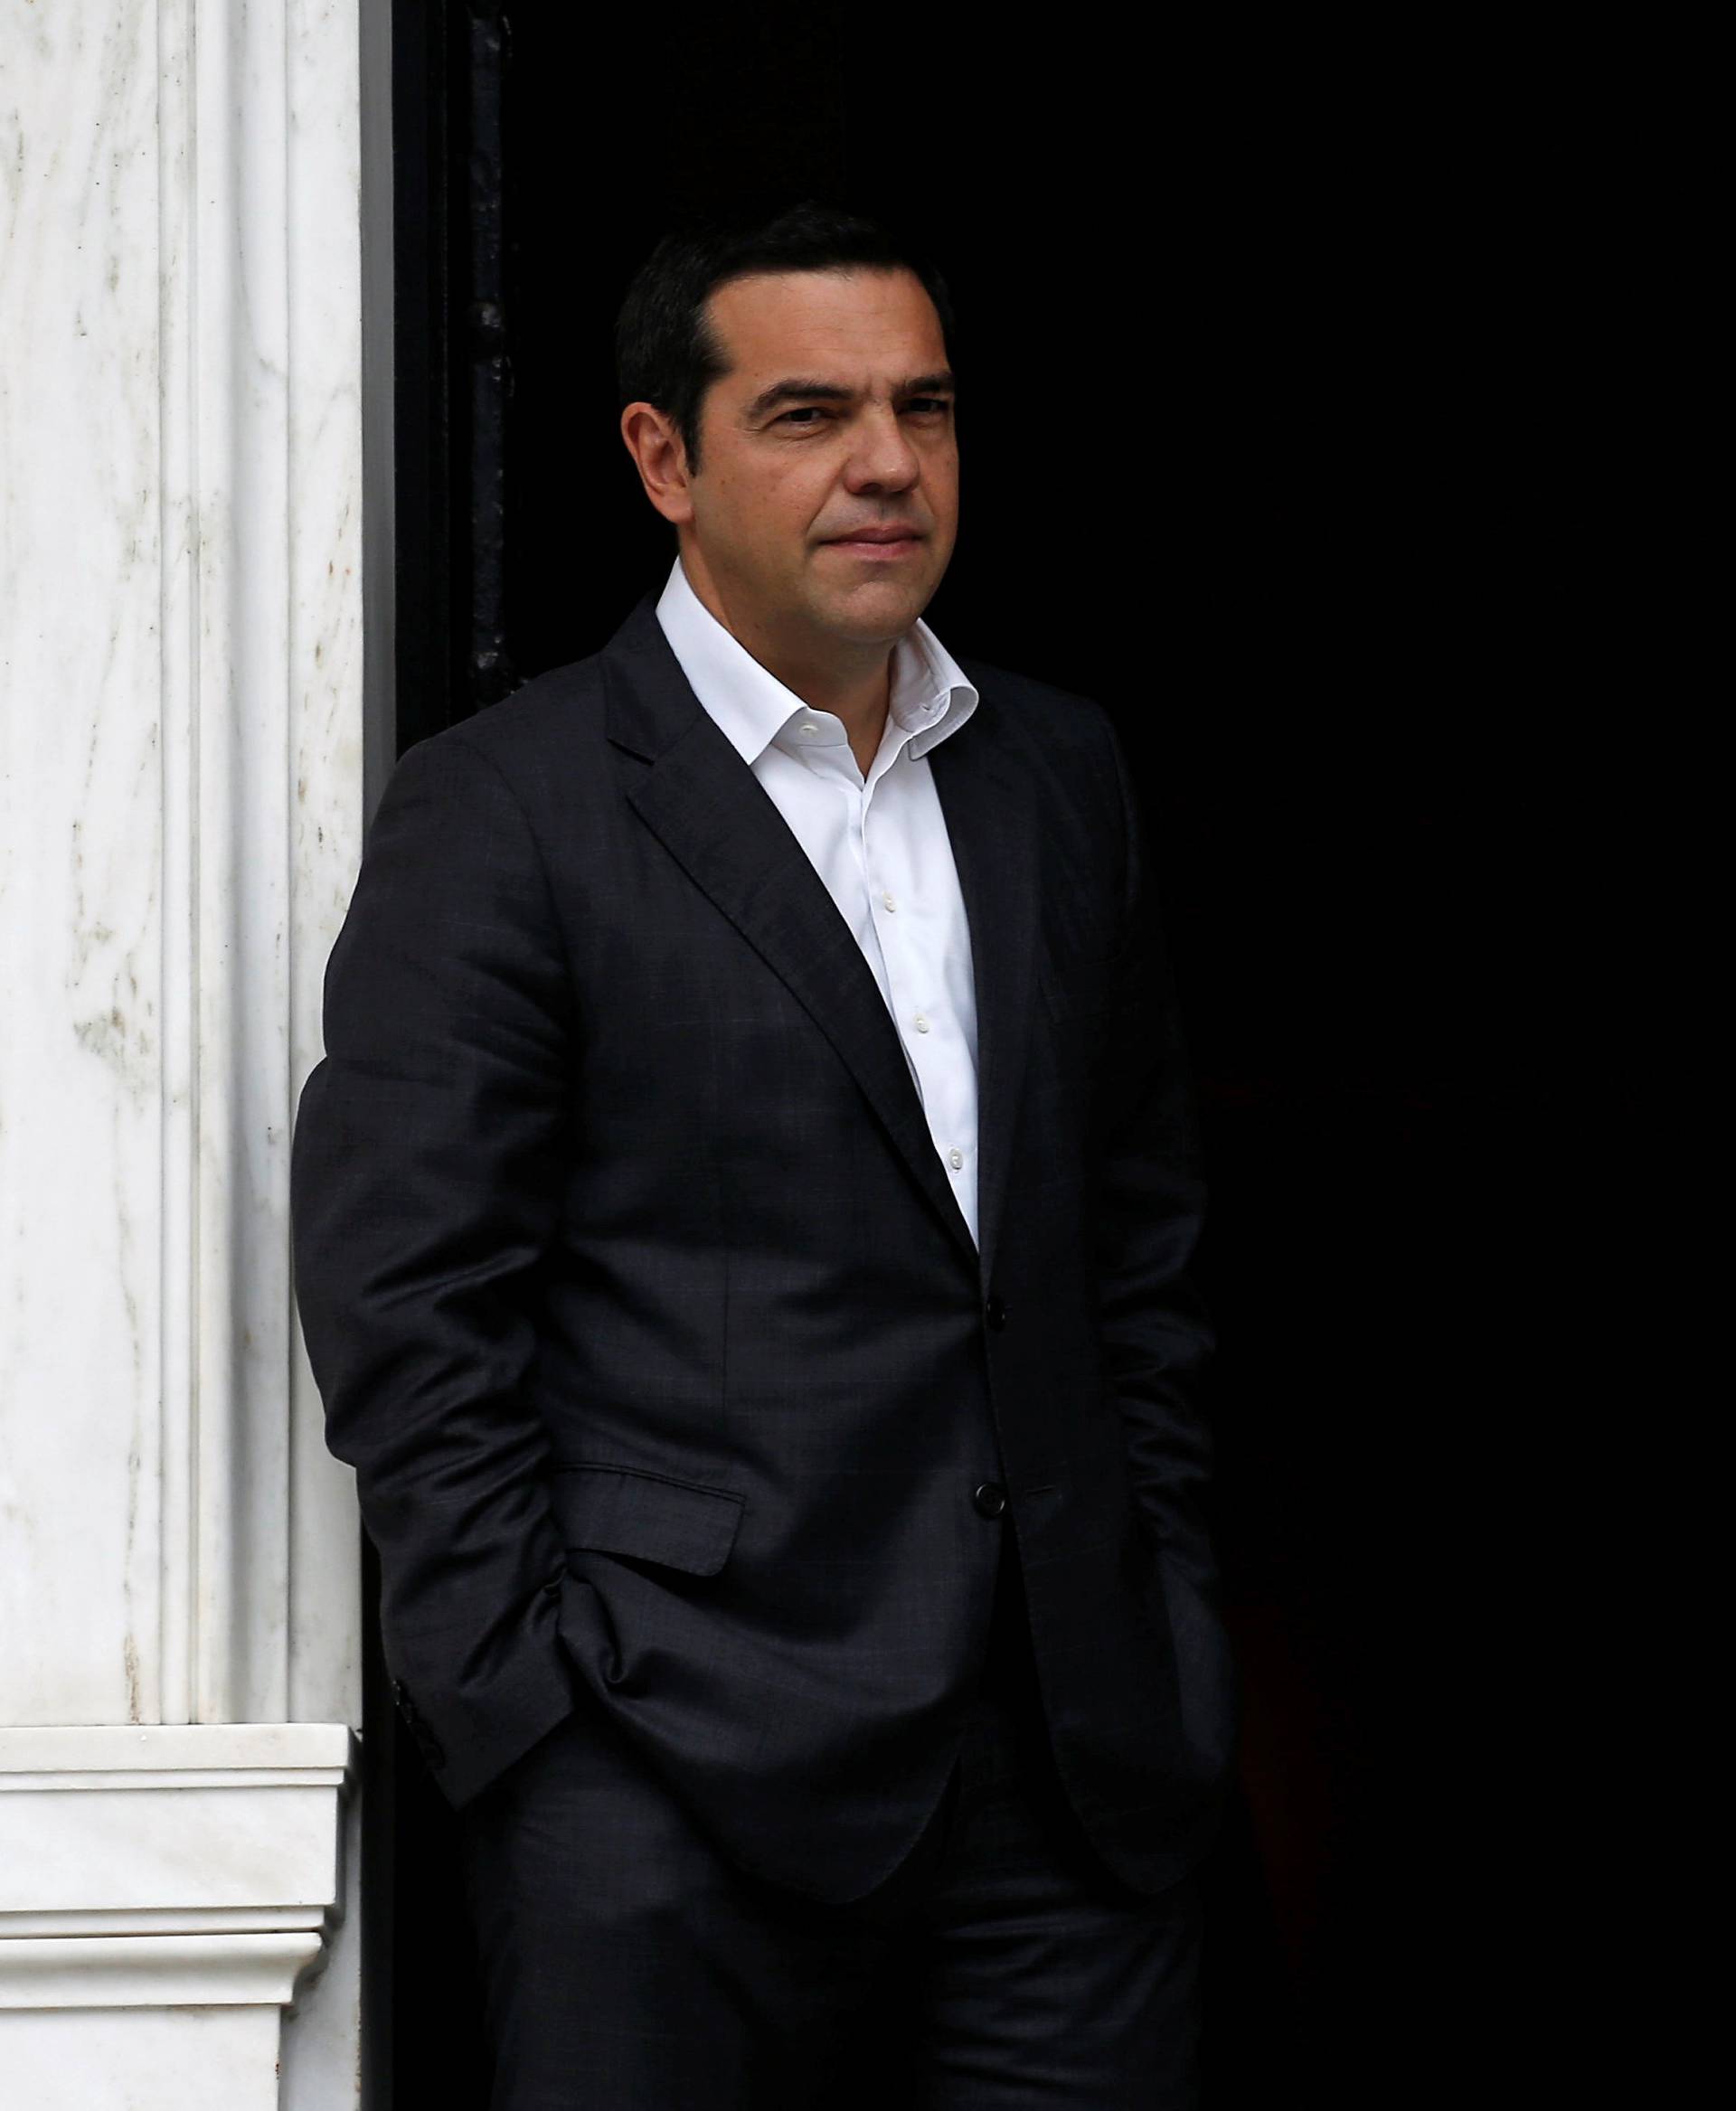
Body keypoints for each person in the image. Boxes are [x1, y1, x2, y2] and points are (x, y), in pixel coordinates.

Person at [290, 196, 1237, 2108]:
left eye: (928, 409)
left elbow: (1138, 1243)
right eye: (810, 414)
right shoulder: (509, 811)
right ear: (665, 457)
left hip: (1069, 1799)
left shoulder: (1061, 774)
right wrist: (540, 1731)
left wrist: (1169, 1612)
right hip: (668, 1788)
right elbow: (407, 1302)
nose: (889, 464)